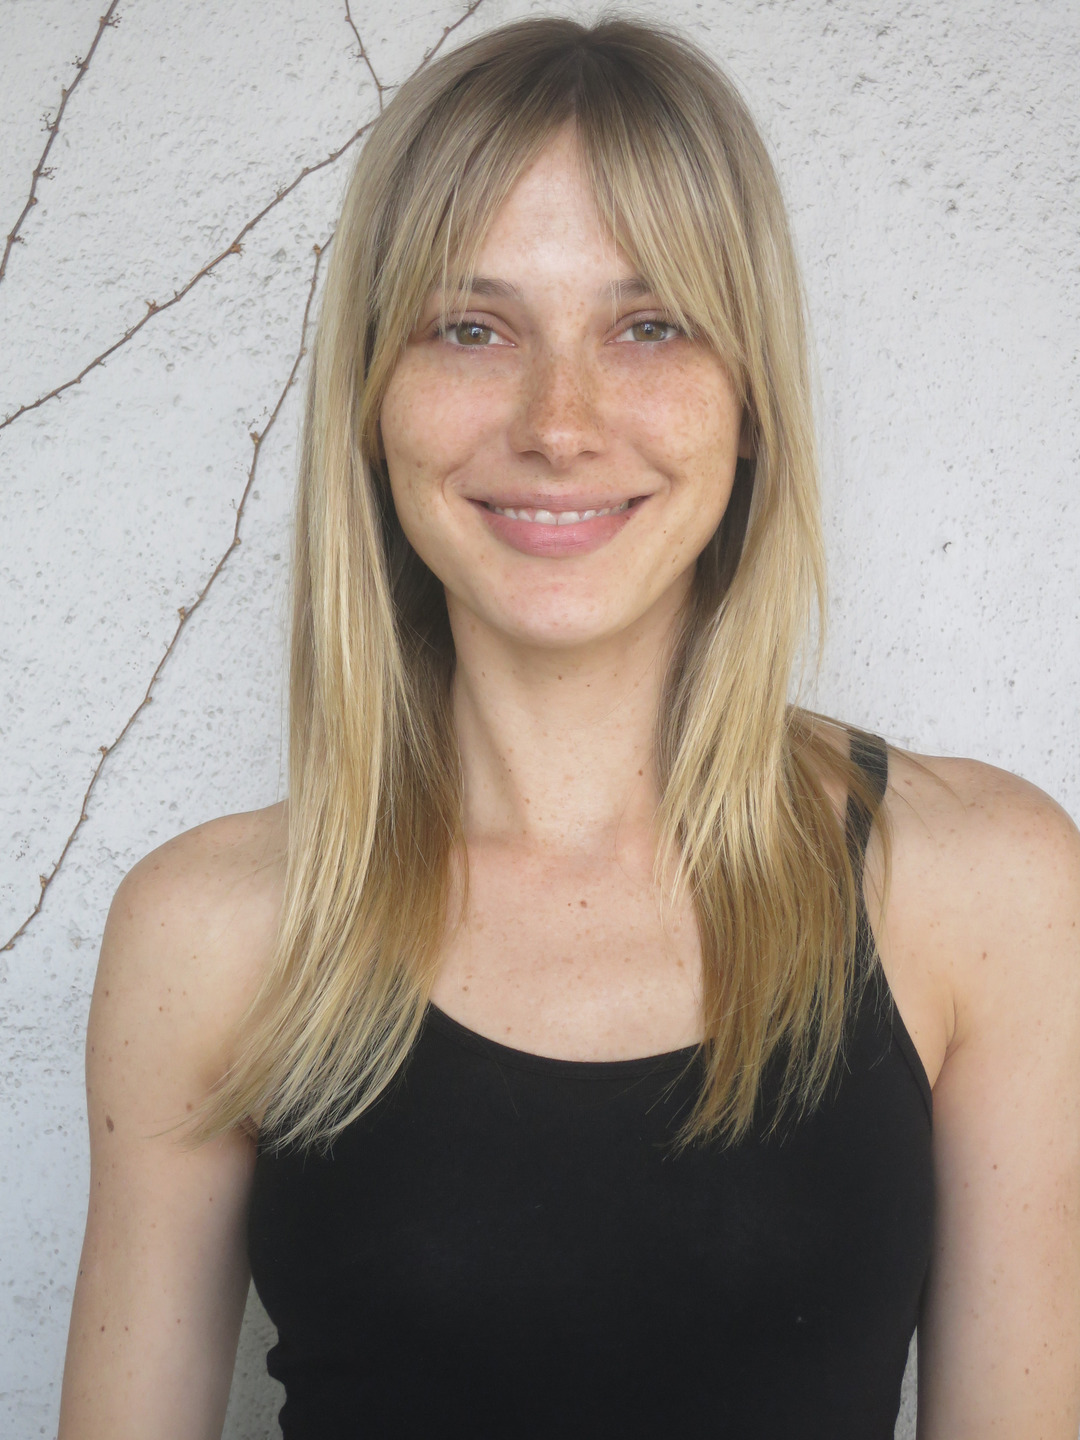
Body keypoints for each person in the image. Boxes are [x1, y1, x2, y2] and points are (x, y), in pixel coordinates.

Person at [57, 15, 1080, 1440]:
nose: (558, 422)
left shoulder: (986, 887)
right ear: (373, 399)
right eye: (471, 328)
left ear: (750, 401)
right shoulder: (209, 932)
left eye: (649, 325)